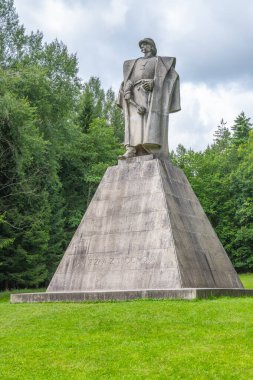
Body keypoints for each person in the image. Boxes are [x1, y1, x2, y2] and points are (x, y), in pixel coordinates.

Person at [117, 38, 181, 159]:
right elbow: (129, 79)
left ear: (151, 47)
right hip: (134, 96)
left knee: (147, 122)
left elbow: (169, 77)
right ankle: (131, 149)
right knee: (133, 123)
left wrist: (154, 83)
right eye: (141, 45)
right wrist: (128, 88)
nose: (142, 47)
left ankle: (149, 149)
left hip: (150, 95)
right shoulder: (134, 63)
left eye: (145, 44)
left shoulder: (158, 61)